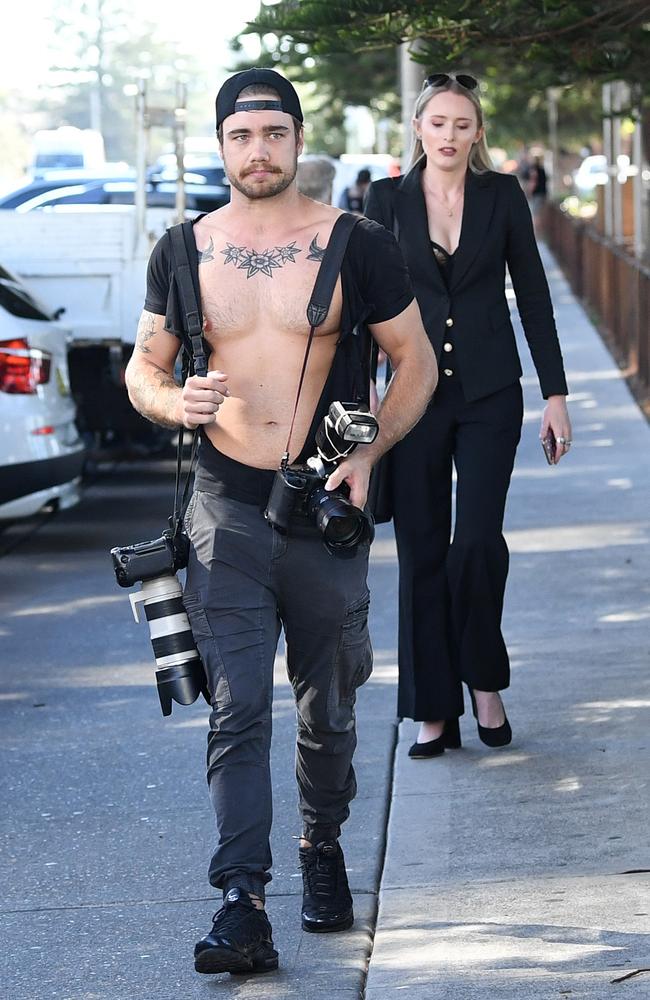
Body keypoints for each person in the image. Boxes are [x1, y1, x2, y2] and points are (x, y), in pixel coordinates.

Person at [124, 68, 436, 976]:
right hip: (224, 507)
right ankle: (242, 900)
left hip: (323, 509)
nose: (257, 151)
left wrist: (370, 458)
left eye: (272, 134)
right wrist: (170, 399)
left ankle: (322, 843)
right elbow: (145, 368)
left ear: (298, 141)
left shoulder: (357, 243)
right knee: (237, 708)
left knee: (328, 704)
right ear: (220, 147)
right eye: (240, 136)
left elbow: (412, 361)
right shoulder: (180, 250)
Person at [364, 72, 571, 760]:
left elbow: (534, 293)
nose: (450, 135)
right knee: (423, 548)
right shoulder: (385, 199)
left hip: (490, 391)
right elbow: (363, 300)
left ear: (477, 131)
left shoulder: (501, 194)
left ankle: (483, 680)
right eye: (438, 122)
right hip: (413, 396)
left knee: (478, 541)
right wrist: (367, 389)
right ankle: (432, 708)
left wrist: (556, 394)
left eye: (462, 124)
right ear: (418, 127)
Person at [527, 154, 548, 236]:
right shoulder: (542, 169)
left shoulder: (534, 169)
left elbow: (533, 182)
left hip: (537, 194)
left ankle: (537, 233)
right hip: (543, 193)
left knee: (536, 214)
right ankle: (541, 232)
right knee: (540, 213)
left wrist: (529, 192)